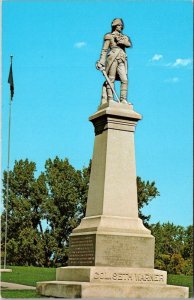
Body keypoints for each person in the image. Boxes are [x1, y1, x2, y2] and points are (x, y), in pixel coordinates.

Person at [96, 18, 132, 104]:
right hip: (112, 58)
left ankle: (123, 99)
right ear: (115, 26)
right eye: (119, 25)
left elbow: (128, 44)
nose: (121, 27)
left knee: (125, 79)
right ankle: (110, 99)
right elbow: (104, 50)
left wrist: (120, 41)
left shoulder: (124, 37)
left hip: (122, 59)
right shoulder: (109, 36)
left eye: (121, 26)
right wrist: (101, 61)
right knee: (111, 79)